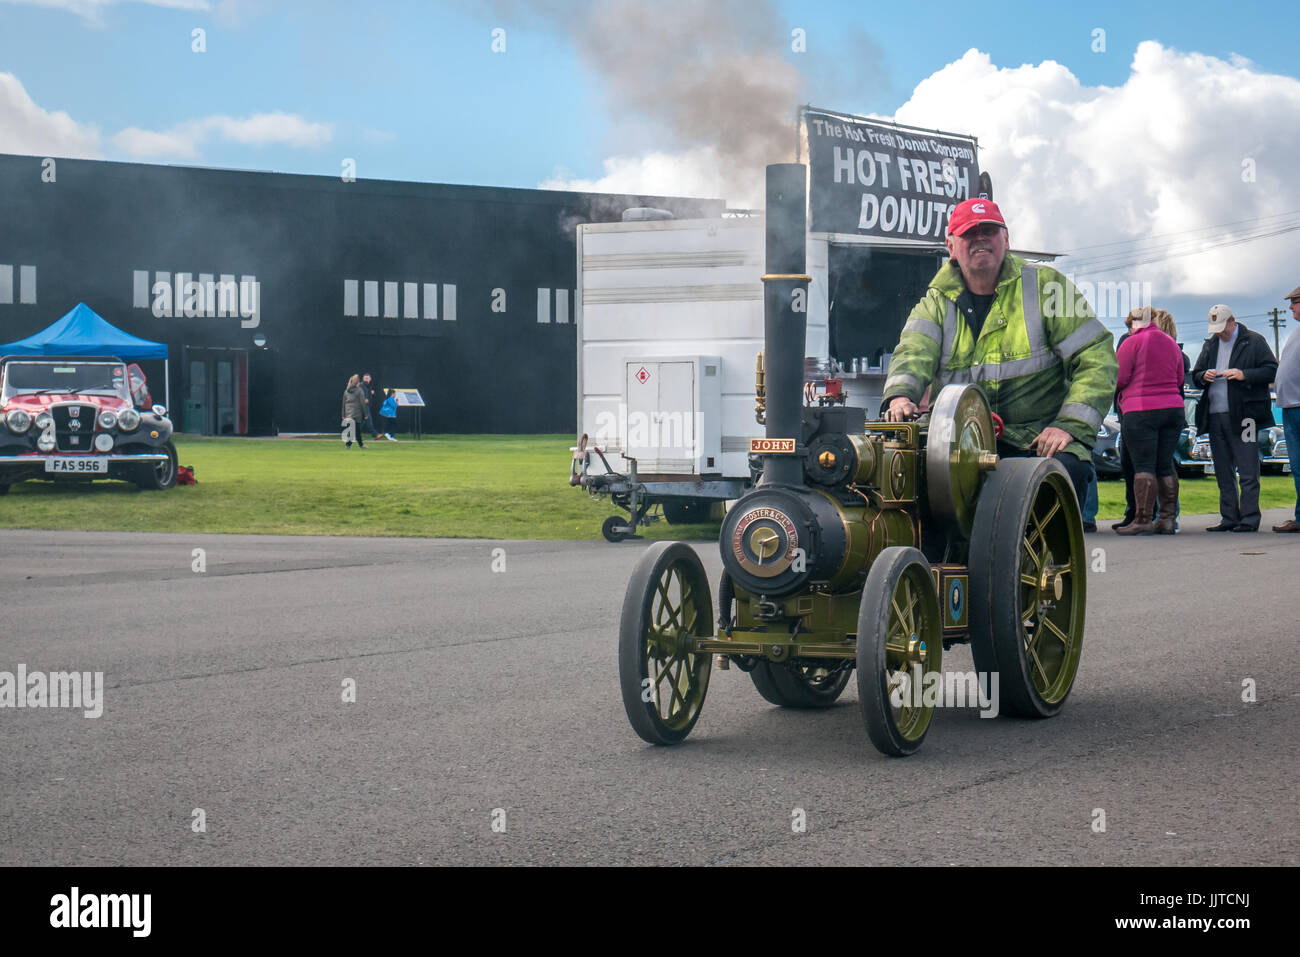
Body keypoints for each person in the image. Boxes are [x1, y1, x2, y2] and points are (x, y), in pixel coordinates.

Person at [882, 197, 1118, 507]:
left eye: (989, 231)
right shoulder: (934, 303)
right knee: (898, 474)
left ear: (1005, 240)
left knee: (1063, 469)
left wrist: (1068, 427)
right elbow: (912, 353)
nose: (980, 238)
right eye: (969, 233)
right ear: (950, 246)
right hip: (957, 441)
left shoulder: (1047, 287)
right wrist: (900, 396)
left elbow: (1096, 356)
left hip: (1034, 439)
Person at [1190, 305, 1277, 532]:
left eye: (1222, 328)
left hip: (1246, 417)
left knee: (1248, 468)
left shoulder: (1254, 342)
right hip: (1216, 416)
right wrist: (1203, 375)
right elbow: (1195, 375)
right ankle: (1229, 517)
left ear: (1232, 321)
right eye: (1215, 329)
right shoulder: (1210, 345)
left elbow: (1271, 370)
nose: (1219, 333)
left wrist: (1244, 374)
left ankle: (1249, 519)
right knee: (1222, 469)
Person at [1114, 307, 1187, 534]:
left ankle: (1143, 519)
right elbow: (1180, 378)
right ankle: (1166, 519)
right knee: (1165, 464)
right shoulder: (1170, 343)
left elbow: (1120, 377)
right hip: (1173, 409)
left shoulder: (1131, 343)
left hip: (1141, 410)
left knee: (1143, 465)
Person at [1272, 285, 1300, 532]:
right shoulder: (1295, 333)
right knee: (1298, 466)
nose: (1291, 306)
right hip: (1291, 408)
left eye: (1296, 301)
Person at [342, 374, 367, 449]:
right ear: (357, 383)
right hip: (357, 413)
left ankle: (352, 444)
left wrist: (343, 414)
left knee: (353, 429)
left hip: (348, 412)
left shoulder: (346, 391)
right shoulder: (359, 390)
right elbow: (362, 403)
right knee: (356, 430)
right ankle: (354, 445)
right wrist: (365, 413)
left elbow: (343, 403)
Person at [360, 373, 380, 440]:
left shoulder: (368, 386)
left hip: (367, 406)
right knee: (369, 421)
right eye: (365, 378)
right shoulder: (361, 385)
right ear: (363, 378)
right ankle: (375, 435)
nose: (366, 379)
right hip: (363, 406)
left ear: (370, 379)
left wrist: (371, 393)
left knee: (363, 422)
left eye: (367, 378)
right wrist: (364, 399)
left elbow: (369, 396)